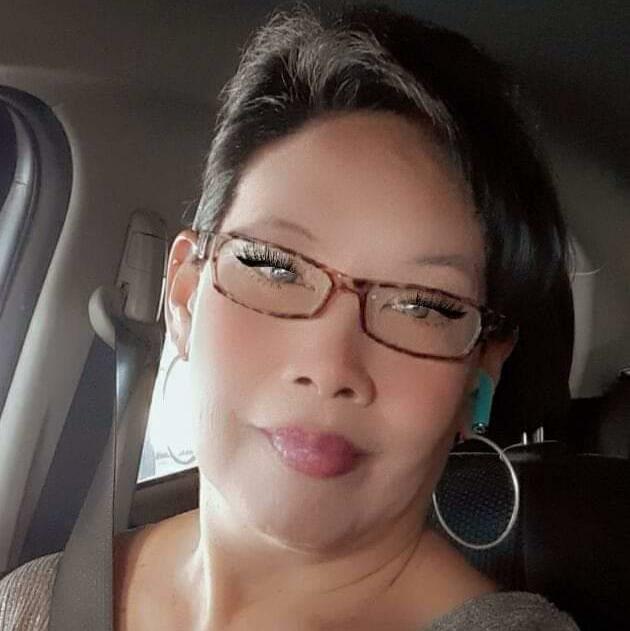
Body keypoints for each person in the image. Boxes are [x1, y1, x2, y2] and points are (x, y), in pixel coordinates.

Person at [0, 4, 580, 630]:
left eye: (423, 305)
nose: (331, 367)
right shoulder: (28, 602)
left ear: (479, 374)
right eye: (274, 266)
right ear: (186, 295)